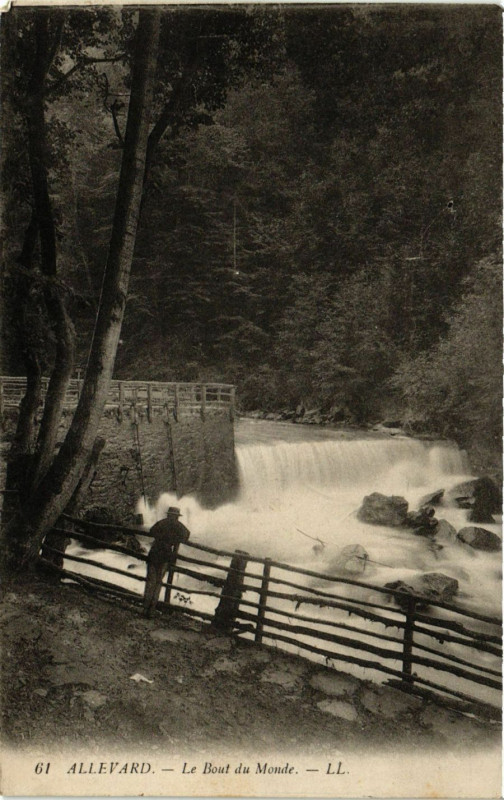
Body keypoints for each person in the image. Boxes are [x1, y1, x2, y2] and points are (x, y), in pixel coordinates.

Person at [143, 506, 190, 617]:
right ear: (177, 516)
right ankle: (152, 610)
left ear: (168, 514)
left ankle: (145, 609)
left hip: (154, 553)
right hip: (165, 555)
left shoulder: (161, 523)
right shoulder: (179, 526)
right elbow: (186, 535)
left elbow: (151, 531)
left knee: (150, 582)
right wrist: (175, 540)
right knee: (158, 582)